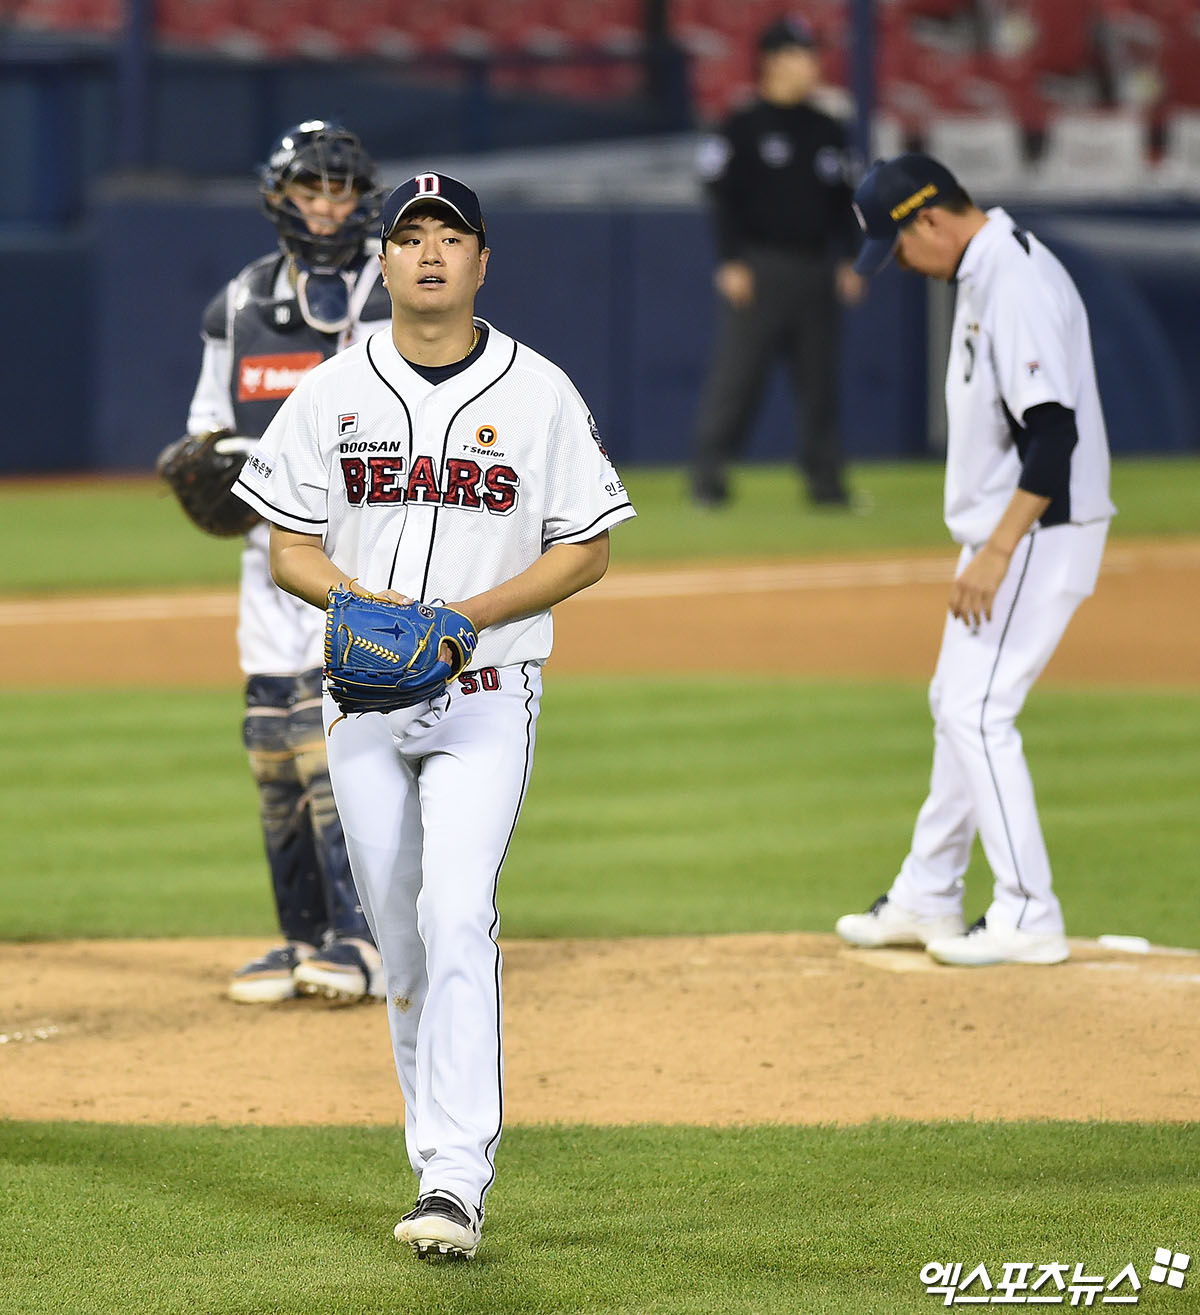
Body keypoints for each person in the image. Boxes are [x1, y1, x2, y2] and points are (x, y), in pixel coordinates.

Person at [231, 171, 636, 1258]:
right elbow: (287, 545)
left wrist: (465, 617)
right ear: (385, 260)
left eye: (449, 236)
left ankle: (457, 1180)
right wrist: (358, 604)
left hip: (487, 697)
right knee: (401, 945)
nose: (428, 253)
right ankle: (433, 1161)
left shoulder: (538, 390)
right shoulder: (331, 389)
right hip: (363, 699)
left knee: (458, 911)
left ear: (481, 261)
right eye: (409, 236)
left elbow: (586, 547)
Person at [835, 153, 1115, 966]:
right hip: (1014, 532)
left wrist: (997, 550)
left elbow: (1052, 435)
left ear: (930, 219)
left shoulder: (1015, 281)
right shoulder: (987, 268)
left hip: (1033, 531)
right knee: (957, 702)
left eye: (900, 247)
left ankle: (1030, 911)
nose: (900, 266)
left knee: (978, 712)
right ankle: (929, 896)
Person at [179, 119, 392, 1004]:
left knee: (330, 745)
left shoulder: (393, 289)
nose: (330, 205)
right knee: (273, 746)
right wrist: (206, 463)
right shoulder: (238, 304)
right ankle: (302, 938)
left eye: (343, 189)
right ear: (282, 196)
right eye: (314, 188)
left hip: (361, 555)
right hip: (269, 566)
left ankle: (366, 940)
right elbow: (207, 427)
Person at [691, 14, 866, 509]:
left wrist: (852, 257)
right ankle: (709, 479)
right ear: (773, 61)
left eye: (811, 53)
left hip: (816, 267)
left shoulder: (827, 128)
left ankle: (826, 484)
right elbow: (723, 199)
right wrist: (730, 260)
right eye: (800, 53)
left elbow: (846, 201)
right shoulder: (742, 125)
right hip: (761, 266)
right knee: (738, 379)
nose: (811, 64)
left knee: (820, 384)